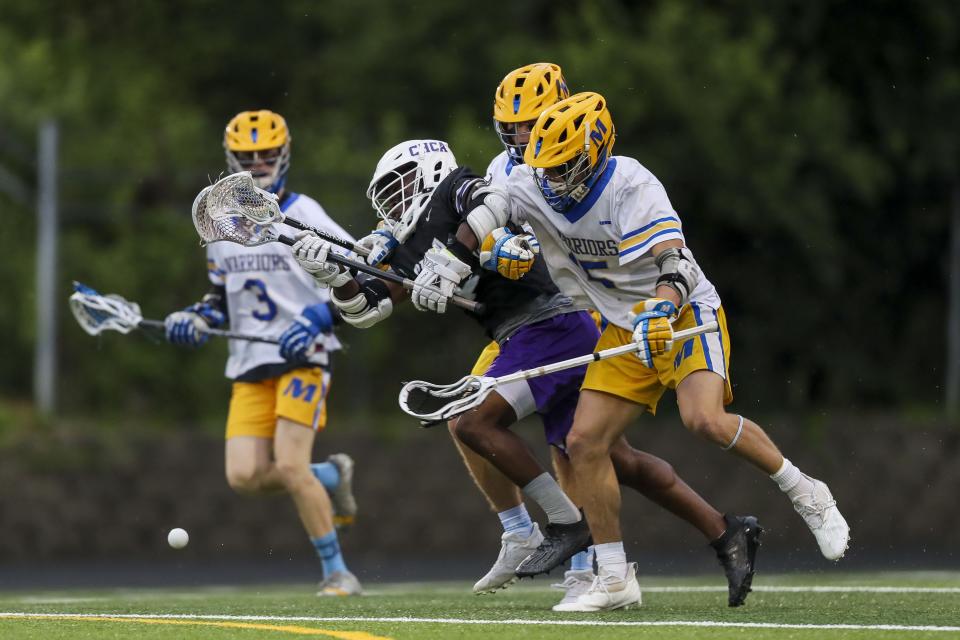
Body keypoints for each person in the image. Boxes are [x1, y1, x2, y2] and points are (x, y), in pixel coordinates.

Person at [291, 136, 761, 609]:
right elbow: (367, 310)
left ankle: (560, 525)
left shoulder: (456, 188)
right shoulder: (408, 241)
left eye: (400, 185)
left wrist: (454, 256)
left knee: (471, 420)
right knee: (616, 460)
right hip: (526, 336)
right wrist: (334, 278)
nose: (394, 202)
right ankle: (725, 532)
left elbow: (492, 202)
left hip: (554, 324)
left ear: (429, 169)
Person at [438, 91, 850, 611]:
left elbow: (674, 263)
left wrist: (660, 308)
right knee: (583, 441)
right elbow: (488, 210)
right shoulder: (530, 179)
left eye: (566, 166)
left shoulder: (632, 186)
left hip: (679, 315)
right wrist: (451, 260)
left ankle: (805, 491)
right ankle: (614, 578)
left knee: (704, 420)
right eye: (547, 167)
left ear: (597, 150)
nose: (553, 178)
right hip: (619, 327)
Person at [164, 109, 361, 596]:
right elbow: (221, 298)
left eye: (267, 155)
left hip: (304, 354)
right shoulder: (219, 226)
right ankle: (330, 474)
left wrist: (321, 316)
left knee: (291, 466)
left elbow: (361, 270)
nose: (258, 164)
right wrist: (196, 318)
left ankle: (338, 573)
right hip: (250, 363)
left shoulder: (304, 213)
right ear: (231, 160)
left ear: (284, 155)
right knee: (245, 476)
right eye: (247, 157)